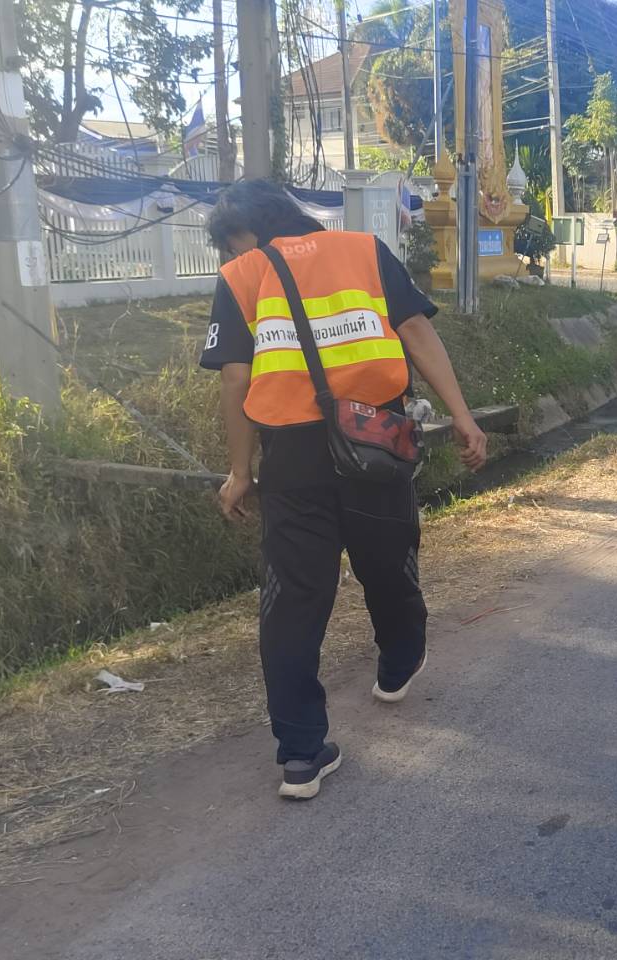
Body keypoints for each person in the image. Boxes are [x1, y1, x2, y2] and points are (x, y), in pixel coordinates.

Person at [198, 180, 488, 800]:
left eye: (230, 243)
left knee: (292, 601)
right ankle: (399, 662)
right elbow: (416, 332)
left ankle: (301, 756)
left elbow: (235, 380)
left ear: (247, 231)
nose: (232, 255)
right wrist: (461, 415)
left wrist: (240, 471)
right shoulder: (364, 250)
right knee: (389, 562)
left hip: (290, 457)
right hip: (375, 437)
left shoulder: (242, 275)